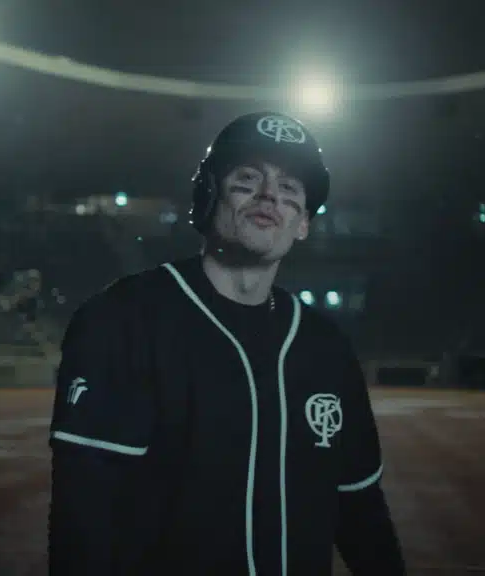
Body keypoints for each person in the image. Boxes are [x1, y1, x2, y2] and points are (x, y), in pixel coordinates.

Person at [47, 112, 405, 575]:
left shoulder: (326, 347)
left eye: (290, 188)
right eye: (248, 178)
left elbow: (360, 508)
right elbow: (83, 522)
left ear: (302, 224)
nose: (269, 195)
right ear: (209, 194)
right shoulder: (123, 320)